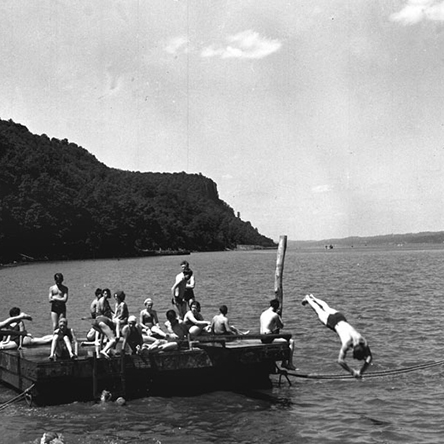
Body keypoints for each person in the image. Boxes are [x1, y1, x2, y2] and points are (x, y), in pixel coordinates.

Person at [302, 294, 372, 378]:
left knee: (326, 307)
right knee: (318, 310)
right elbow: (340, 361)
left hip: (340, 317)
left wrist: (360, 371)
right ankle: (308, 299)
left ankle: (312, 297)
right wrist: (353, 372)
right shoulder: (351, 342)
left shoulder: (362, 341)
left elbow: (369, 357)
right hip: (333, 322)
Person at [259, 299, 296, 370]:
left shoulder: (263, 313)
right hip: (268, 337)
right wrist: (278, 315)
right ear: (277, 307)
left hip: (262, 337)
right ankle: (289, 363)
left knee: (283, 340)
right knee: (291, 342)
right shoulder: (275, 315)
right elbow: (281, 326)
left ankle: (284, 363)